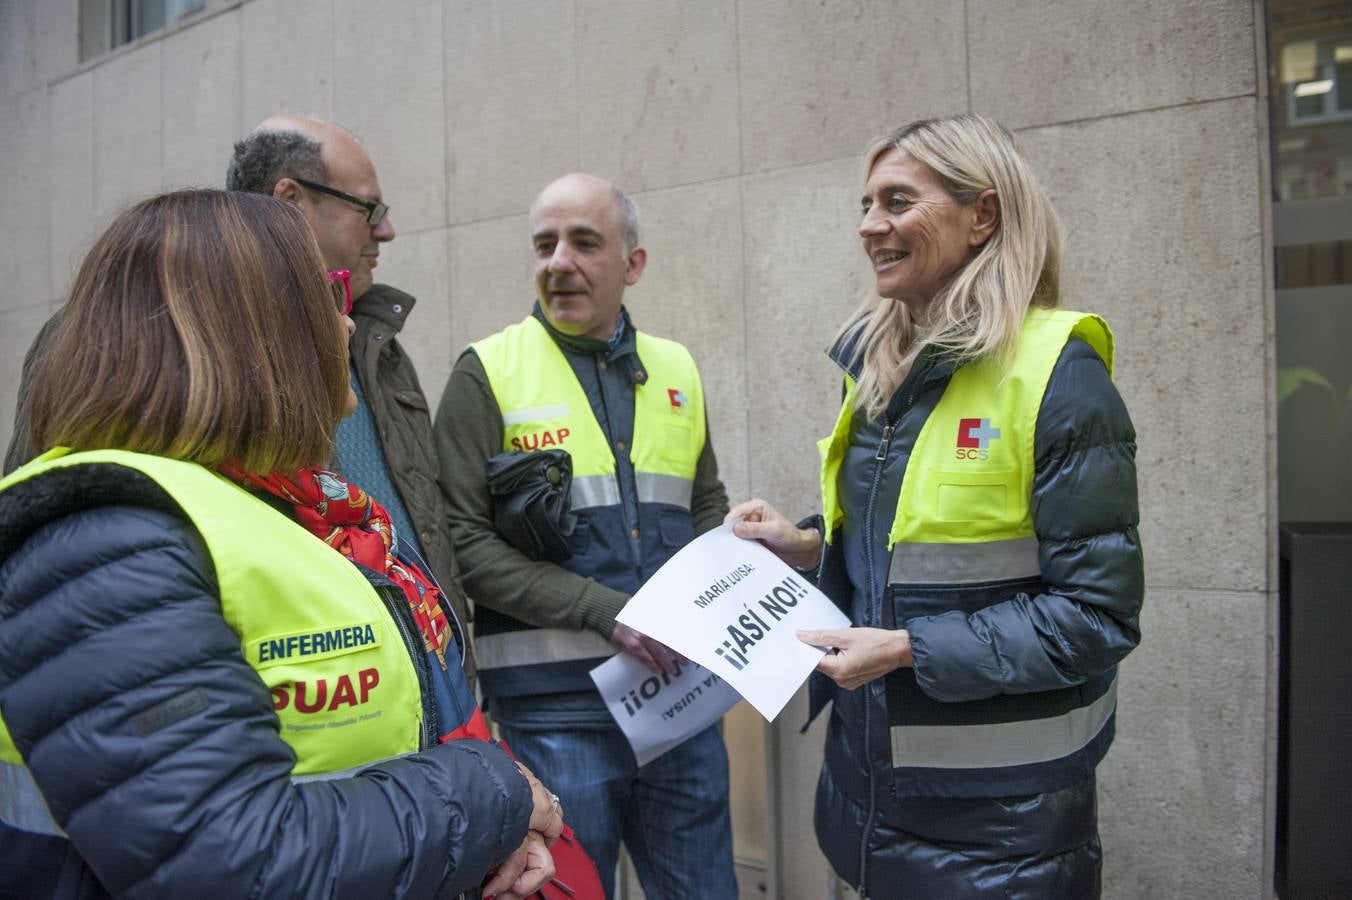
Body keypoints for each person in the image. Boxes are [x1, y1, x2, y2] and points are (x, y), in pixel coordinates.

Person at [0, 190, 561, 899]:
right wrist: (493, 792)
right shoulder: (105, 539)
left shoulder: (295, 509)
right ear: (250, 329)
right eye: (328, 295)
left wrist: (486, 829)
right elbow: (233, 863)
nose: (348, 321)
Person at [728, 115, 1144, 899]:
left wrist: (909, 649)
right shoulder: (876, 368)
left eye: (896, 201)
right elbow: (909, 545)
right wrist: (810, 546)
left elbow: (1099, 617)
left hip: (999, 832)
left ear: (981, 215)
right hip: (862, 798)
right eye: (865, 203)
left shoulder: (1059, 376)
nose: (869, 226)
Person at [4, 117, 476, 692]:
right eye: (369, 209)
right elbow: (54, 532)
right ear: (290, 198)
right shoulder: (121, 337)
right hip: (278, 688)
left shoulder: (378, 343)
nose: (388, 231)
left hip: (392, 679)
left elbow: (416, 519)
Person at [435, 173, 738, 899]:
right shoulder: (488, 372)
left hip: (680, 704)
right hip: (554, 715)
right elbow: (460, 540)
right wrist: (605, 611)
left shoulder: (677, 369)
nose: (558, 262)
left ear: (632, 264)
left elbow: (705, 509)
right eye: (544, 244)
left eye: (583, 242)